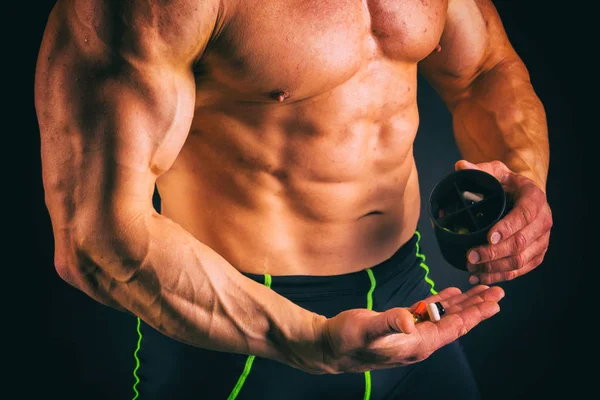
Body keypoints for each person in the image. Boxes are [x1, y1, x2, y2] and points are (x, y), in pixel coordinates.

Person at [35, 0, 552, 399]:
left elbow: (485, 70)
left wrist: (522, 182)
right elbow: (97, 236)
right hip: (236, 335)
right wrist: (311, 342)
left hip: (410, 298)